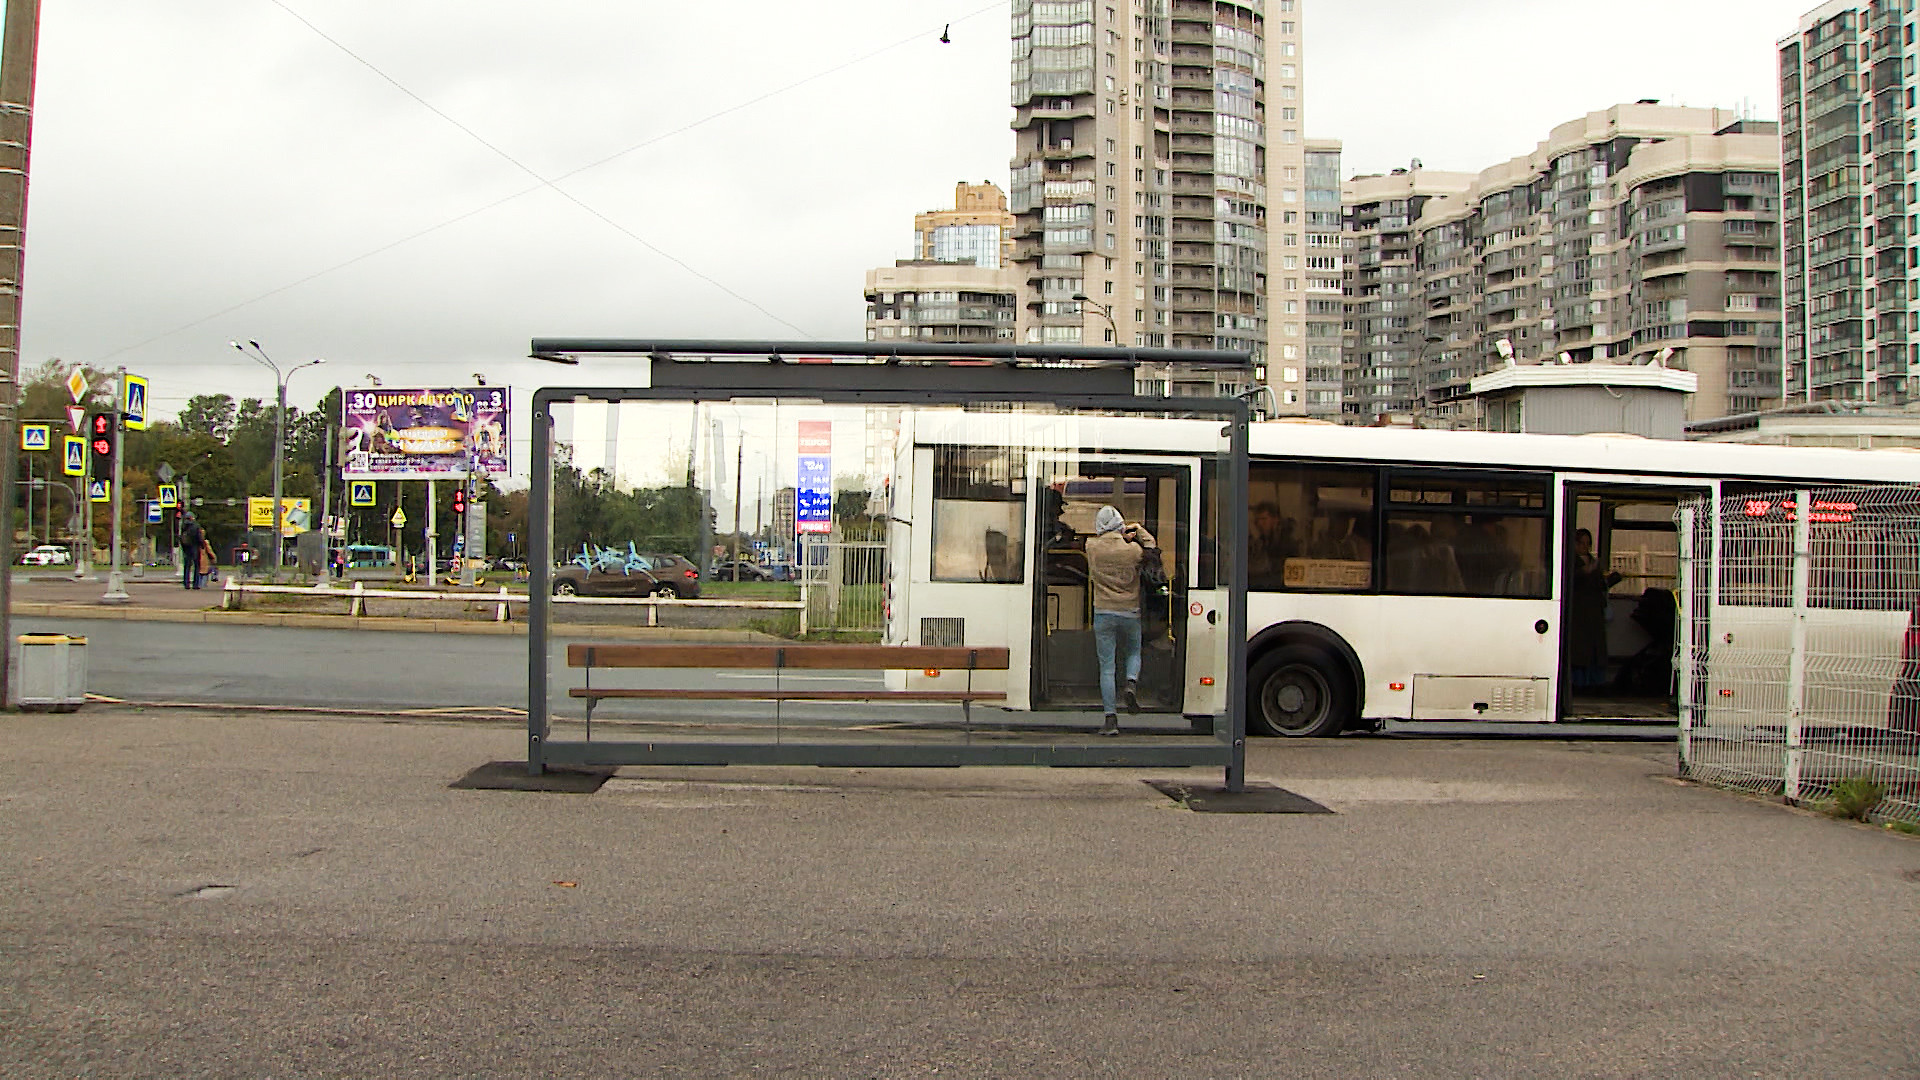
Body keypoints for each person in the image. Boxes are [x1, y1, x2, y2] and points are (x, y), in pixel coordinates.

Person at [1085, 504, 1155, 736]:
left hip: (1103, 612)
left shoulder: (1091, 547)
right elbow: (1152, 547)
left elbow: (1099, 540)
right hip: (1130, 611)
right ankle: (1131, 683)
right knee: (1134, 651)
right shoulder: (1134, 551)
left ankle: (1110, 719)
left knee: (1107, 667)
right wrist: (1136, 529)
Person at [1567, 528, 1621, 690]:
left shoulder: (1593, 563)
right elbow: (1570, 582)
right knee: (1579, 650)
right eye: (1581, 543)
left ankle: (1594, 681)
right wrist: (1584, 572)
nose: (1585, 547)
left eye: (1587, 544)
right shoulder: (1570, 562)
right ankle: (1578, 681)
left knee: (1594, 650)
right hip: (1578, 613)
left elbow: (1600, 586)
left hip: (1595, 613)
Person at [178, 512, 204, 590]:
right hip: (195, 547)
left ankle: (186, 583)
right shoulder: (196, 526)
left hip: (186, 547)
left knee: (187, 565)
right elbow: (199, 537)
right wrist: (202, 545)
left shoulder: (183, 526)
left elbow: (180, 537)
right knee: (196, 566)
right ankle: (195, 584)